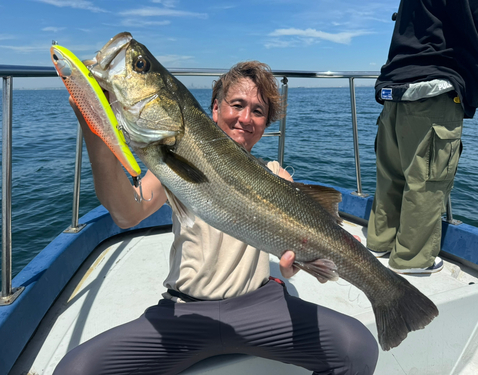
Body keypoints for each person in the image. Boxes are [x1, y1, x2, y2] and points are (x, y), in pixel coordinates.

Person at [54, 61, 378, 375]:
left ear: (265, 125)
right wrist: (94, 131)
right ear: (214, 110)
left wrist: (300, 263)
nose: (245, 118)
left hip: (261, 306)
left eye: (258, 111)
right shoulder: (175, 164)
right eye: (236, 104)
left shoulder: (276, 175)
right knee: (75, 369)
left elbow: (301, 239)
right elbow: (127, 213)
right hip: (184, 311)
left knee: (358, 348)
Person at [367, 0, 478, 274]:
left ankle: (379, 242)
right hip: (434, 89)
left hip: (395, 87)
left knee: (390, 174)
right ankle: (412, 260)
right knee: (426, 183)